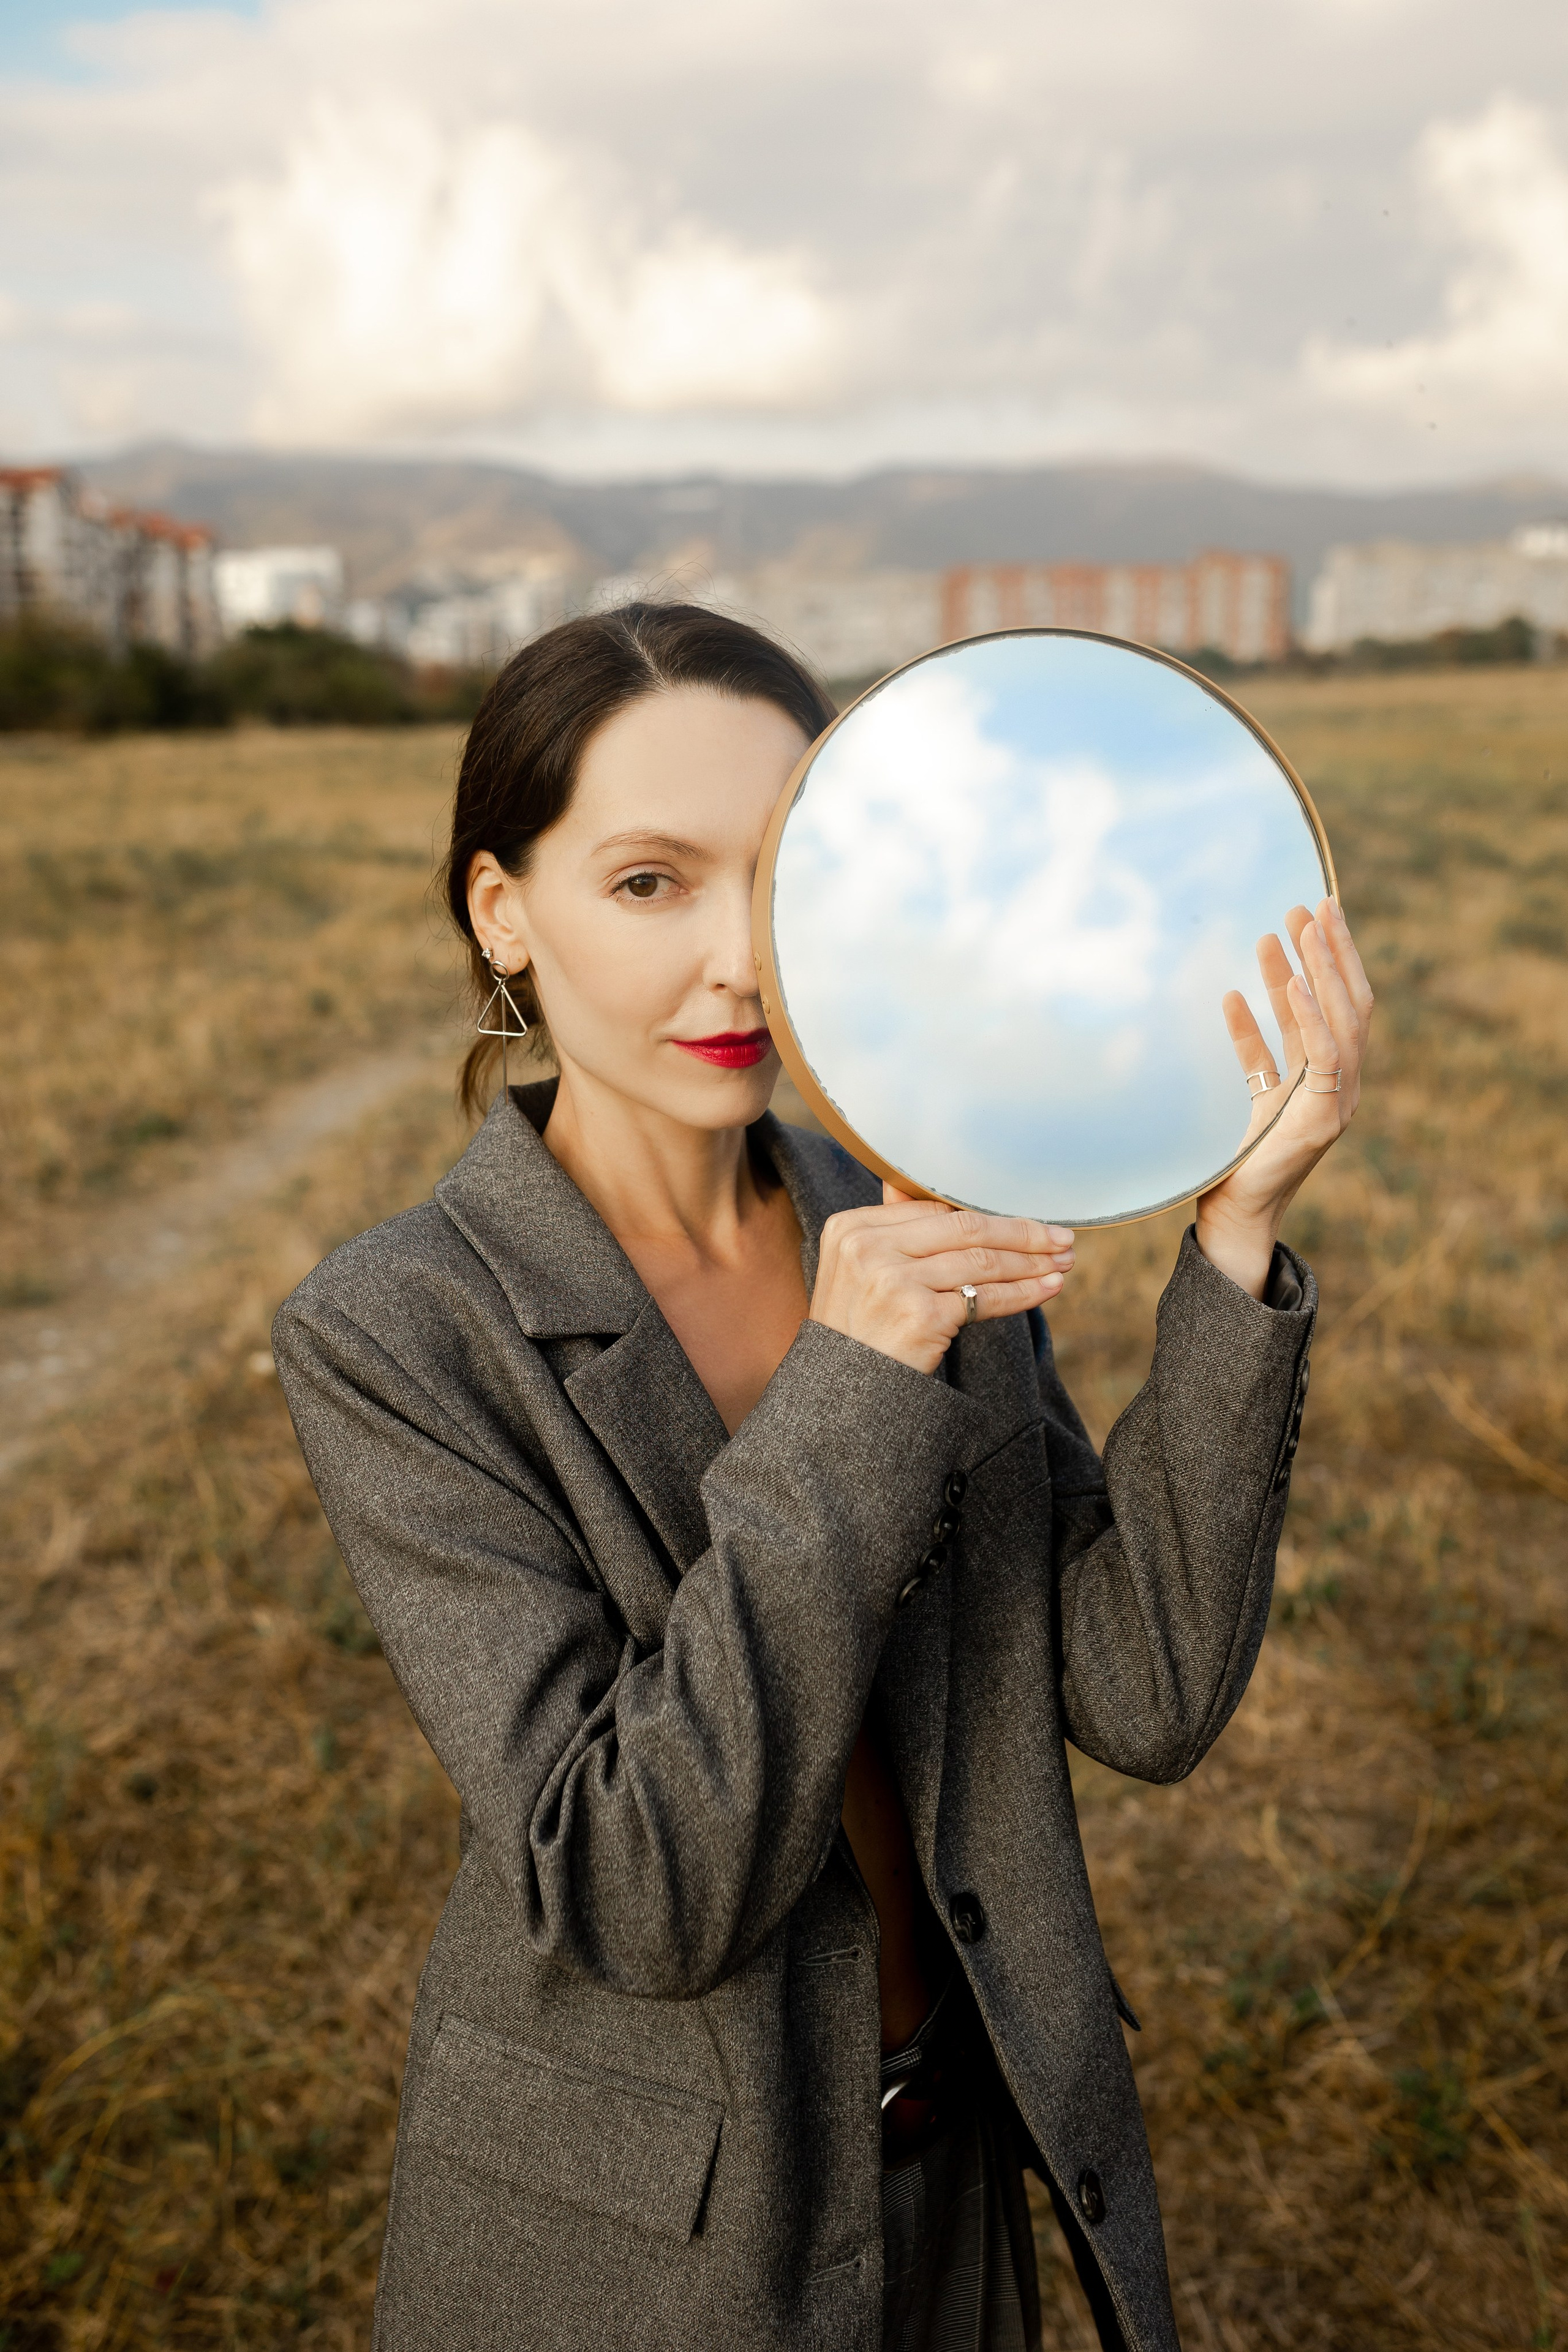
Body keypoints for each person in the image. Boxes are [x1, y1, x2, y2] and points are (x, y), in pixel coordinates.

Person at [273, 603, 1371, 2352]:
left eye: (782, 880)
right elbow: (637, 1885)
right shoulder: (400, 1332)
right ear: (505, 913)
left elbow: (1142, 1691)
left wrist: (1236, 1248)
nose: (738, 963)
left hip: (963, 2183)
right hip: (636, 2263)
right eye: (649, 884)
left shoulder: (914, 1192)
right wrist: (853, 1387)